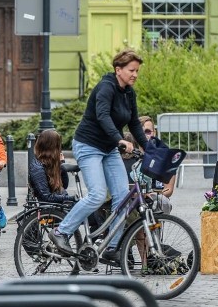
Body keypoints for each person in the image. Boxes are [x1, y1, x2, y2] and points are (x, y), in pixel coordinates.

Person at [48, 49, 150, 260]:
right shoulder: (105, 88)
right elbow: (103, 116)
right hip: (88, 146)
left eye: (137, 71)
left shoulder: (129, 92)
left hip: (109, 148)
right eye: (131, 70)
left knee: (122, 198)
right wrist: (119, 140)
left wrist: (150, 148)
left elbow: (134, 123)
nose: (135, 75)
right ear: (118, 69)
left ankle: (111, 248)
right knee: (96, 195)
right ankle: (61, 232)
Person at [28, 129, 72, 204]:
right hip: (51, 208)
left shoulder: (51, 163)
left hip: (60, 203)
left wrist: (61, 164)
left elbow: (64, 185)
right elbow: (46, 197)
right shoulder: (37, 167)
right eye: (58, 146)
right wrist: (71, 198)